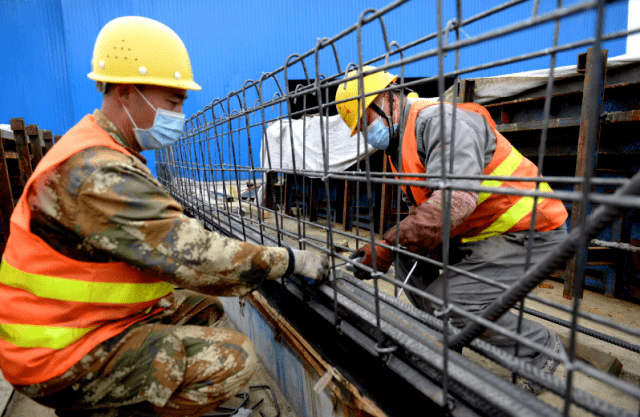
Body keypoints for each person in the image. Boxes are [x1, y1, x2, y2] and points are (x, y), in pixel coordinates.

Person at [0, 16, 329, 417]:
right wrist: (291, 260)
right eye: (173, 102)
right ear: (125, 92)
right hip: (56, 354)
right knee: (236, 357)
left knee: (203, 307)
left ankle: (129, 392)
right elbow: (199, 259)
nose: (180, 114)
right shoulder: (99, 172)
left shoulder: (103, 147)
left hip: (74, 325)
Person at [335, 66, 568, 393]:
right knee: (407, 260)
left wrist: (386, 246)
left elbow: (455, 200)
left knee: (448, 301)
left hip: (530, 229)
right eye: (359, 129)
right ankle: (444, 341)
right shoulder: (400, 143)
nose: (366, 133)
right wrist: (392, 248)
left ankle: (539, 351)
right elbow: (426, 210)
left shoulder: (440, 123)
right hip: (481, 230)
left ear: (387, 98)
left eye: (365, 122)